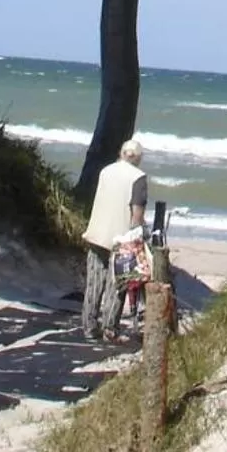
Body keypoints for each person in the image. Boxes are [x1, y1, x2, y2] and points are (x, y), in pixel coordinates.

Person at [80, 136, 148, 341]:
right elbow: (137, 213)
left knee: (94, 283)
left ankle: (89, 326)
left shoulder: (105, 171)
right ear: (138, 158)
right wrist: (140, 234)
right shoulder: (139, 177)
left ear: (121, 153)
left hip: (96, 232)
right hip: (120, 238)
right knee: (117, 284)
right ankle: (110, 327)